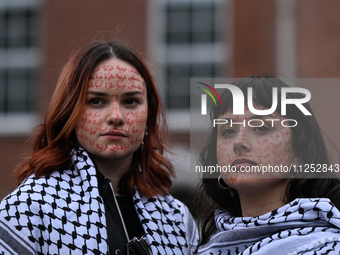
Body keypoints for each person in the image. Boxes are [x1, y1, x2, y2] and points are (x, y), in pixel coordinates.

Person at [0, 40, 198, 255]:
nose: (115, 116)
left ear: (148, 116)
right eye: (96, 101)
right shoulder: (29, 208)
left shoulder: (176, 218)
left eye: (130, 101)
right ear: (70, 113)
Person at [195, 76, 340, 254]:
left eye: (261, 127)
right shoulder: (199, 248)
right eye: (228, 131)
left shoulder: (328, 248)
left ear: (300, 152)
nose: (238, 142)